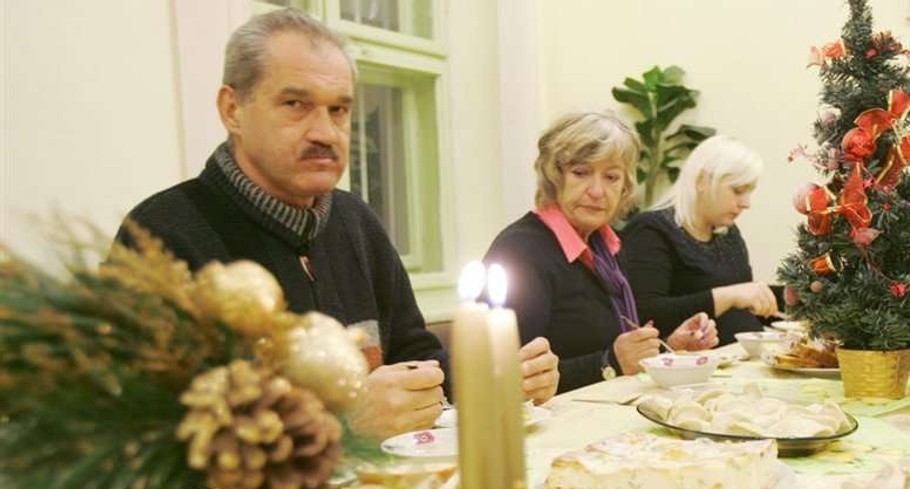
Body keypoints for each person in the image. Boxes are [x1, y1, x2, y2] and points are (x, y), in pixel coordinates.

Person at [115, 9, 558, 439]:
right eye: (295, 104)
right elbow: (144, 445)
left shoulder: (354, 221)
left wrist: (489, 383)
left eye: (340, 110)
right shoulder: (161, 238)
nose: (326, 133)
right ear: (233, 109)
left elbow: (416, 359)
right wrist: (340, 424)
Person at [484, 112, 718, 393]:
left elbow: (609, 346)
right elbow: (509, 378)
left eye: (611, 177)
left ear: (625, 187)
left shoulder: (606, 247)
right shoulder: (521, 252)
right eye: (581, 172)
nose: (597, 191)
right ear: (553, 177)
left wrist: (668, 348)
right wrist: (609, 362)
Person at [620, 135, 778, 346]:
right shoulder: (650, 231)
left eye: (749, 193)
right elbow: (645, 313)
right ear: (702, 181)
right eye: (738, 191)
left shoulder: (728, 234)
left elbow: (747, 301)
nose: (746, 203)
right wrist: (726, 296)